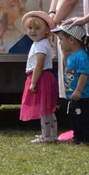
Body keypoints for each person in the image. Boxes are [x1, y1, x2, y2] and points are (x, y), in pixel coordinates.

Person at [19, 11, 59, 143]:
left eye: (37, 28)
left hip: (41, 78)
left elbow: (39, 65)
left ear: (47, 30)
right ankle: (52, 134)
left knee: (44, 109)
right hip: (45, 77)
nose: (32, 31)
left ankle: (46, 136)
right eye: (30, 28)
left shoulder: (41, 44)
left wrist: (33, 83)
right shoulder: (41, 43)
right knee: (48, 108)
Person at [56, 23, 89, 146]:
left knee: (84, 120)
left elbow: (84, 74)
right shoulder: (71, 56)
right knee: (75, 119)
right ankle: (77, 139)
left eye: (61, 39)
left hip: (85, 97)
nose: (60, 43)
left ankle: (87, 141)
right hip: (75, 97)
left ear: (72, 40)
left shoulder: (82, 57)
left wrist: (78, 90)